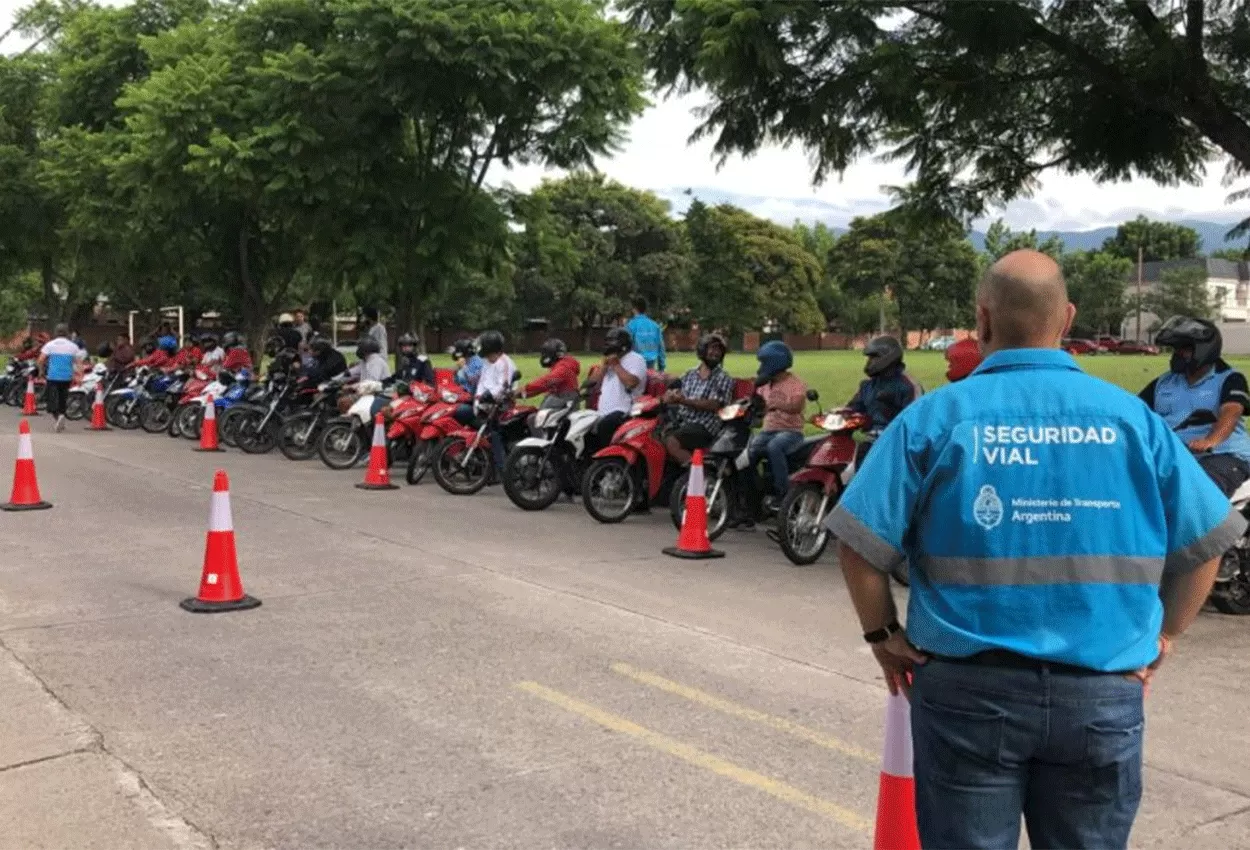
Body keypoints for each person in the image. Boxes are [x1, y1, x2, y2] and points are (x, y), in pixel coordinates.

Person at [826, 249, 1243, 850]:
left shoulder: (935, 418)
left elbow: (858, 546)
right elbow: (1209, 544)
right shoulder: (1133, 420)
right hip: (1101, 695)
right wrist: (1165, 637)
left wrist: (881, 636)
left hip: (968, 694)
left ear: (983, 319)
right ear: (1067, 318)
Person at [1141, 316, 1250, 497]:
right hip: (1174, 455)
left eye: (1184, 349)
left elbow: (1231, 412)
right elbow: (1135, 410)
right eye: (1175, 349)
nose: (1177, 354)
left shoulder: (1230, 378)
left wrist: (1211, 441)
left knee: (1196, 496)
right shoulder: (1164, 382)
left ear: (1204, 349)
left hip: (1223, 455)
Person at [745, 341, 807, 513]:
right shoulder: (765, 384)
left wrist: (778, 405)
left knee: (775, 447)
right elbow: (758, 406)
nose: (761, 367)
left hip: (791, 431)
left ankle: (783, 493)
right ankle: (753, 492)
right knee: (748, 452)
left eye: (764, 363)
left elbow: (797, 406)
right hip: (768, 430)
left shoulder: (795, 383)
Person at [663, 332, 735, 465]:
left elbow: (714, 405)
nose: (716, 353)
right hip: (684, 421)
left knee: (672, 442)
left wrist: (683, 400)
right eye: (712, 348)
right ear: (702, 350)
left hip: (705, 426)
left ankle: (697, 475)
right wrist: (669, 396)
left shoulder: (723, 378)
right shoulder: (690, 374)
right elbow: (674, 390)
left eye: (719, 349)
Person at [588, 328, 648, 452]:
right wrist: (604, 367)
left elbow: (631, 383)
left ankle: (608, 460)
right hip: (602, 411)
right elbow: (592, 383)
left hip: (625, 410)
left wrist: (616, 365)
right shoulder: (608, 360)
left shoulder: (636, 359)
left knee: (605, 425)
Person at [847, 335, 922, 434]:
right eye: (869, 358)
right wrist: (841, 414)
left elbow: (917, 422)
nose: (869, 362)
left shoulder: (908, 386)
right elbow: (853, 409)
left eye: (874, 357)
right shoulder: (868, 385)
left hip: (894, 441)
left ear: (888, 357)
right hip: (868, 439)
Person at [39, 323, 86, 431]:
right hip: (66, 377)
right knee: (62, 398)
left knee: (51, 399)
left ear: (55, 332)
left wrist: (41, 371)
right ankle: (61, 415)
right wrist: (80, 376)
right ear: (67, 333)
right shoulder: (73, 346)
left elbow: (41, 360)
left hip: (52, 376)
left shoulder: (50, 345)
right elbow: (79, 363)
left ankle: (58, 417)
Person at [520, 338, 580, 404]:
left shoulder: (565, 366)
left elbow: (548, 381)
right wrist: (524, 394)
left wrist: (525, 389)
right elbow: (545, 387)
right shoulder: (562, 364)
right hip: (563, 400)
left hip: (565, 402)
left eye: (545, 353)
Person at [625, 297, 666, 372]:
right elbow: (661, 348)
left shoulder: (630, 325)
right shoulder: (655, 326)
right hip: (651, 366)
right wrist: (661, 368)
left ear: (634, 308)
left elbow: (626, 347)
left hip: (635, 367)